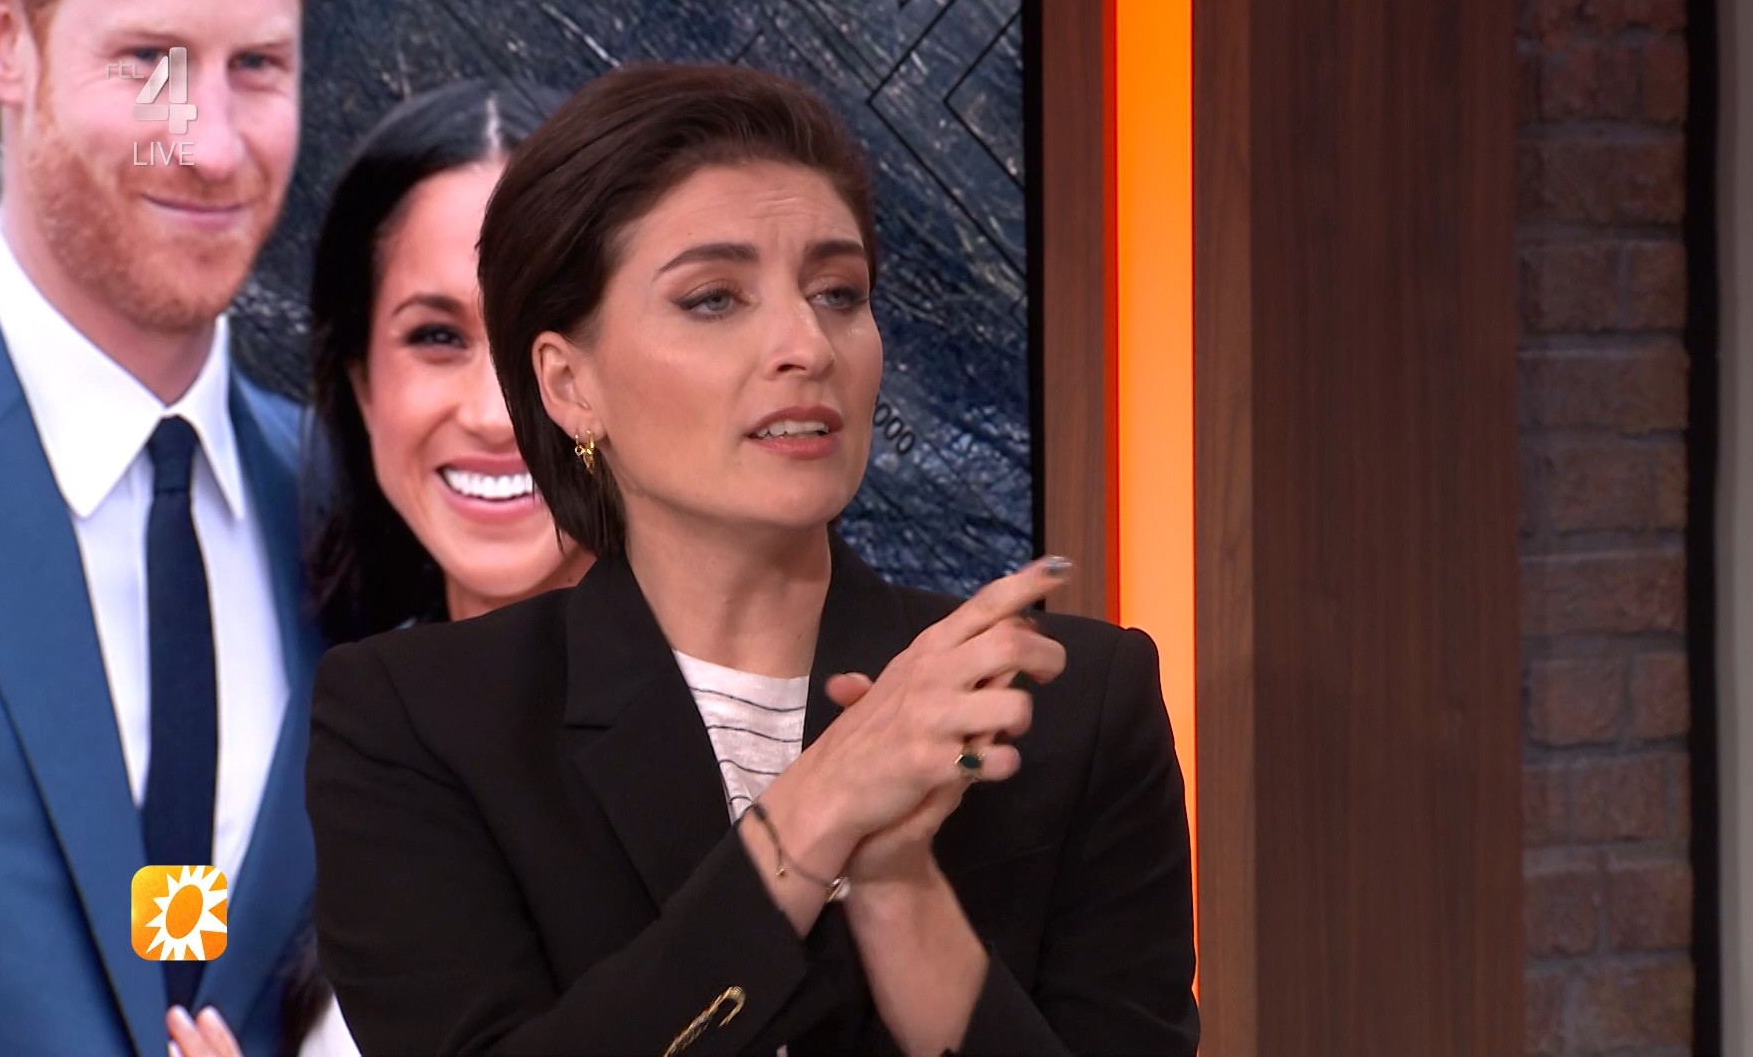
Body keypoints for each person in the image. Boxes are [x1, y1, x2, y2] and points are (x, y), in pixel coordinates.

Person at [307, 62, 1199, 1055]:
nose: (806, 345)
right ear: (568, 385)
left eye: (838, 292)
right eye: (714, 298)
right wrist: (816, 812)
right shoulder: (416, 718)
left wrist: (901, 896)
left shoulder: (1072, 704)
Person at [0, 0, 319, 1055]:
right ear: (3, 40)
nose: (210, 145)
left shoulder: (367, 522)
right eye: (150, 64)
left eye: (256, 66)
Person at [284, 77, 581, 1057]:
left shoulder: (776, 756)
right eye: (438, 337)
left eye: (550, 336)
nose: (496, 413)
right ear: (363, 383)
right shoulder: (313, 734)